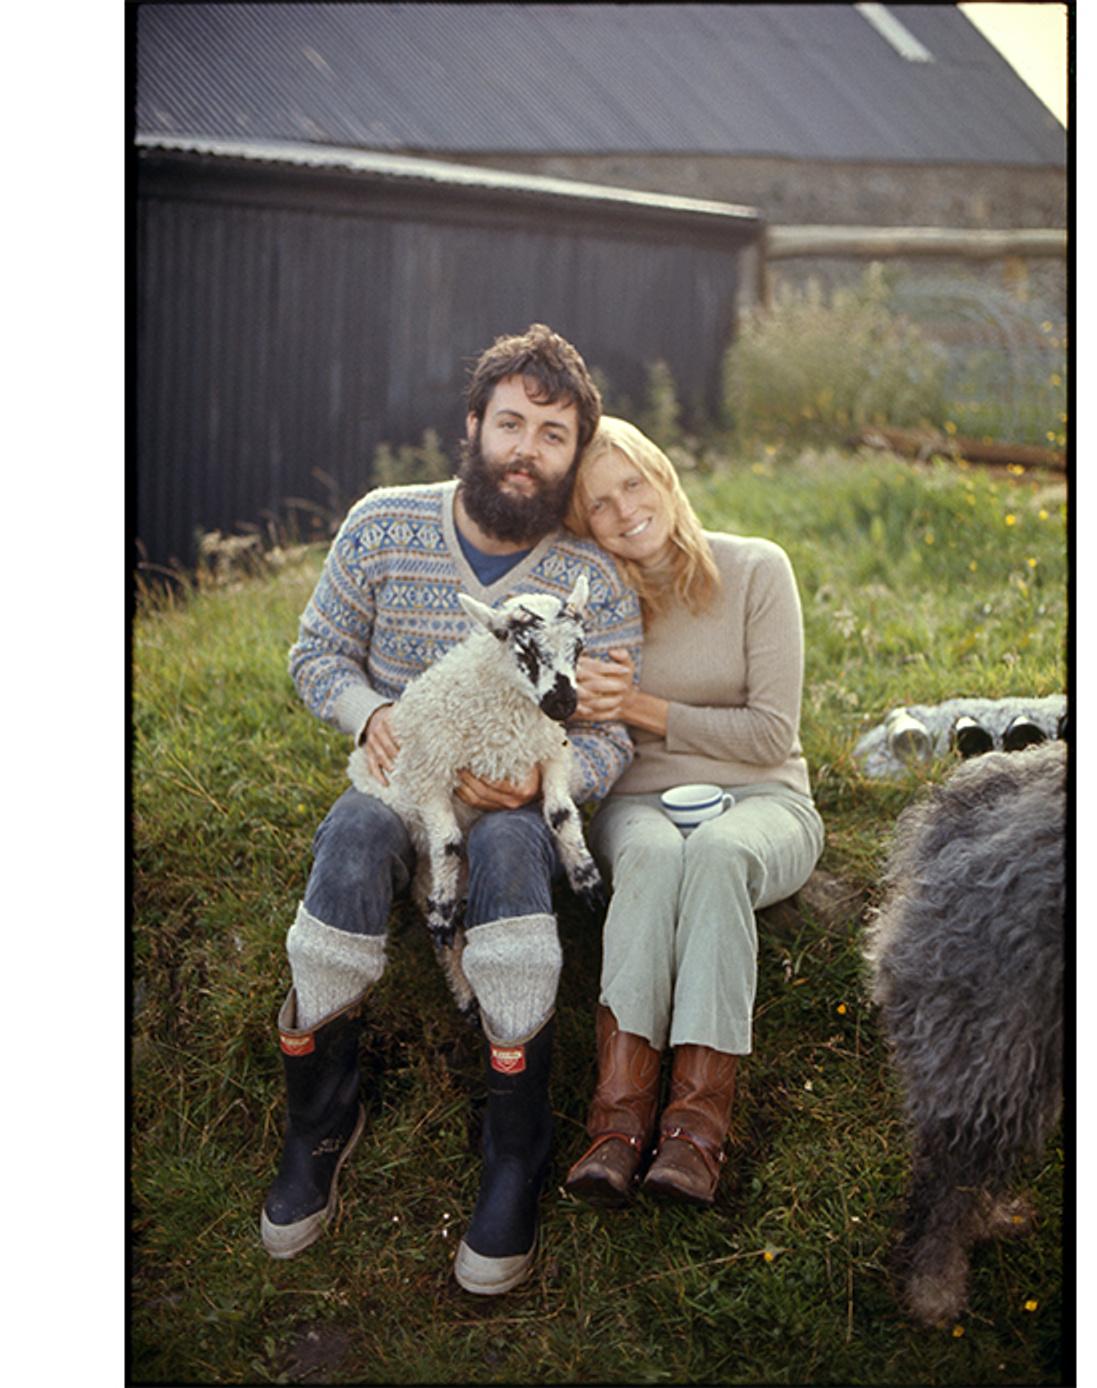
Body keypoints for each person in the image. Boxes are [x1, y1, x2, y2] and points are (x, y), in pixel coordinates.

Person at [260, 325, 643, 1297]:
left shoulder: (589, 583)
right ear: (472, 425)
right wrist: (372, 711)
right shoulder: (383, 523)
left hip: (513, 802)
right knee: (351, 834)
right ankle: (318, 1118)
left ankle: (514, 1144)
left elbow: (609, 732)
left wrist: (545, 779)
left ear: (571, 455)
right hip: (401, 783)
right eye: (510, 421)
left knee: (516, 846)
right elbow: (316, 653)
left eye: (552, 434)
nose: (526, 446)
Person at [560, 417, 824, 1209]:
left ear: (665, 476)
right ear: (583, 524)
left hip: (766, 797)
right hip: (637, 802)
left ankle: (694, 1134)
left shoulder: (756, 570)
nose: (624, 511)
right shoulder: (597, 602)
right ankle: (616, 1128)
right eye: (598, 504)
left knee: (717, 855)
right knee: (653, 856)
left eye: (633, 483)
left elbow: (772, 732)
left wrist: (641, 705)